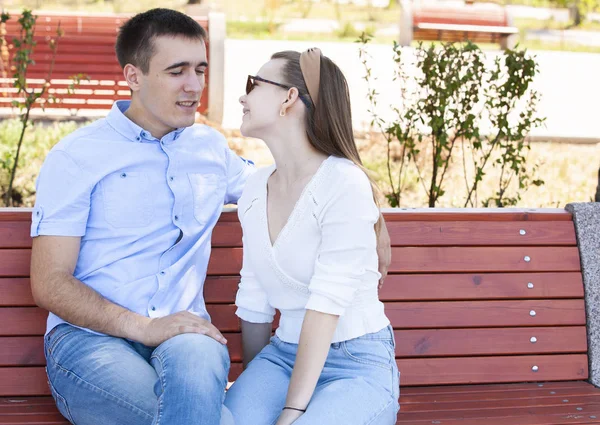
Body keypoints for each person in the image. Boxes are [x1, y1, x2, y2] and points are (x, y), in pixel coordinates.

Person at [30, 8, 392, 425]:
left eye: (200, 70)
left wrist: (373, 216)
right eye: (176, 71)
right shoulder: (76, 156)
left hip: (189, 339)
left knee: (204, 383)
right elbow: (49, 282)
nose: (194, 86)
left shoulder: (208, 149)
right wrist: (141, 327)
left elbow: (300, 183)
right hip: (91, 341)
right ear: (133, 76)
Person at [223, 48, 400, 425]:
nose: (243, 95)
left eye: (254, 85)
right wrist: (257, 387)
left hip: (356, 363)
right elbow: (254, 298)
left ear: (289, 98)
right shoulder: (255, 189)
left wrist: (290, 410)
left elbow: (327, 304)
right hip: (282, 357)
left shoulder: (343, 182)